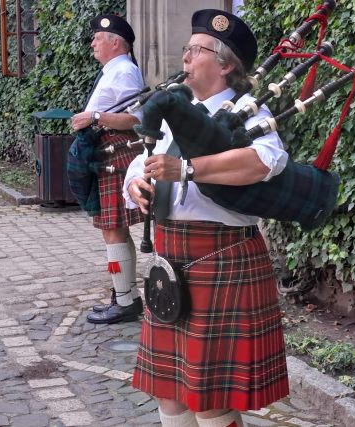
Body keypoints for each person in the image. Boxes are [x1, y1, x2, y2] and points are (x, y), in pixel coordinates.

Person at [123, 9, 289, 427]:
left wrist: (188, 169)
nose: (185, 58)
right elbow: (141, 158)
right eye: (187, 49)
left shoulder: (246, 111)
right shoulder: (173, 107)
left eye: (196, 51)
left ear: (225, 64)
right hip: (171, 258)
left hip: (222, 257)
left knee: (209, 400)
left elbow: (265, 161)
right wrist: (135, 185)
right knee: (170, 395)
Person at [71, 14, 144, 324]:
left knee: (112, 229)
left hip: (116, 153)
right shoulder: (113, 71)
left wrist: (95, 117)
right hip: (105, 153)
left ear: (115, 42)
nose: (92, 43)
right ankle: (123, 294)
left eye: (98, 39)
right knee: (111, 229)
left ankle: (126, 301)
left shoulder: (125, 71)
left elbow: (136, 118)